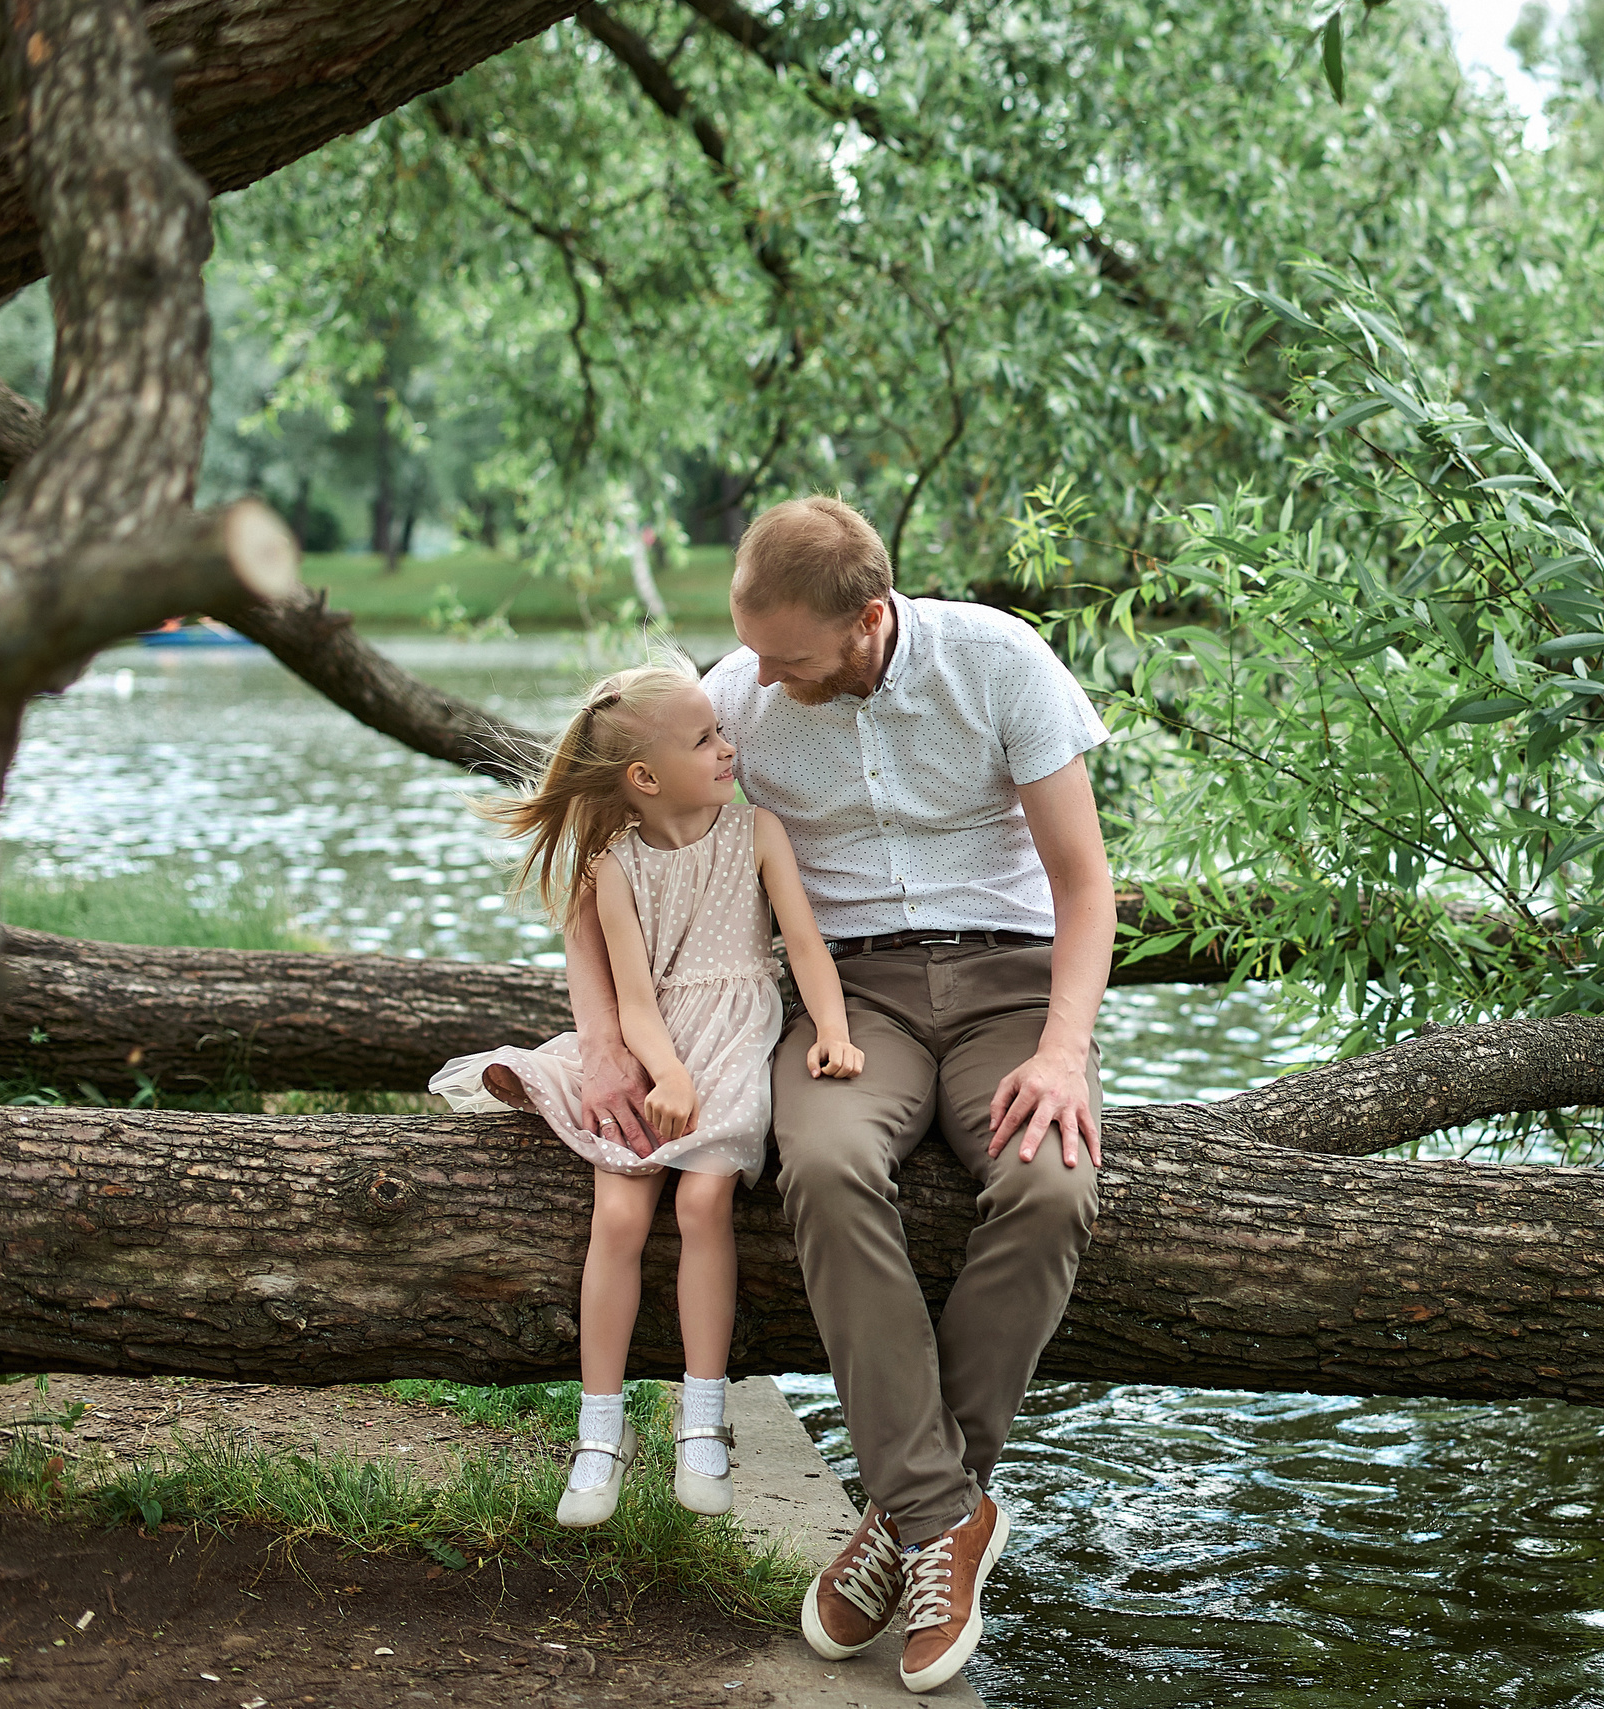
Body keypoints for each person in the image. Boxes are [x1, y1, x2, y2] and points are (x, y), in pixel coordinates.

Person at [564, 496, 1113, 1695]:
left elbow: (1084, 882)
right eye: (749, 652)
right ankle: (941, 1512)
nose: (757, 683)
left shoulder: (998, 659)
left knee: (1049, 1180)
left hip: (1011, 986)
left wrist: (1062, 1050)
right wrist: (603, 1039)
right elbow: (600, 853)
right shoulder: (737, 693)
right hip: (847, 1005)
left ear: (868, 618)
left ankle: (904, 1515)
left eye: (786, 657)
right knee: (817, 1162)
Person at [429, 657, 864, 1527]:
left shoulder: (758, 832)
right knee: (620, 1215)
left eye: (721, 732)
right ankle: (600, 1431)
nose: (728, 747)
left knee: (703, 1201)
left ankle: (703, 1416)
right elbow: (634, 999)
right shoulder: (615, 869)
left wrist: (832, 1027)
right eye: (705, 739)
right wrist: (663, 1072)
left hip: (736, 1039)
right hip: (658, 1043)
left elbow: (805, 946)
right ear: (645, 777)